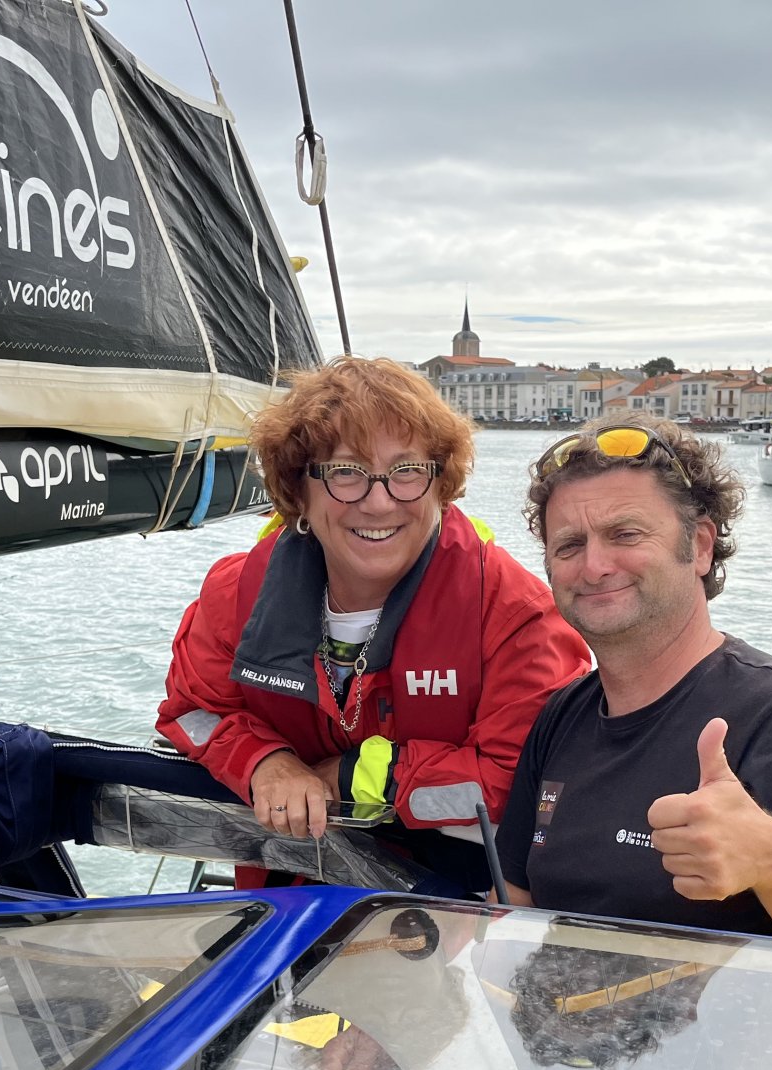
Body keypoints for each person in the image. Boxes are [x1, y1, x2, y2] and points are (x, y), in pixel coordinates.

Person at [496, 416, 772, 961]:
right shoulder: (564, 714)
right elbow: (511, 902)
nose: (595, 566)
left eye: (625, 534)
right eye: (569, 545)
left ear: (699, 545)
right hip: (555, 1036)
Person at [156, 357, 591, 884]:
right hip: (284, 901)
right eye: (345, 473)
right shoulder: (235, 596)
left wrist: (353, 778)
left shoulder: (513, 614)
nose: (379, 502)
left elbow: (521, 779)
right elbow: (192, 713)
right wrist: (265, 763)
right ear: (298, 490)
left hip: (455, 911)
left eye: (407, 471)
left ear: (440, 484)